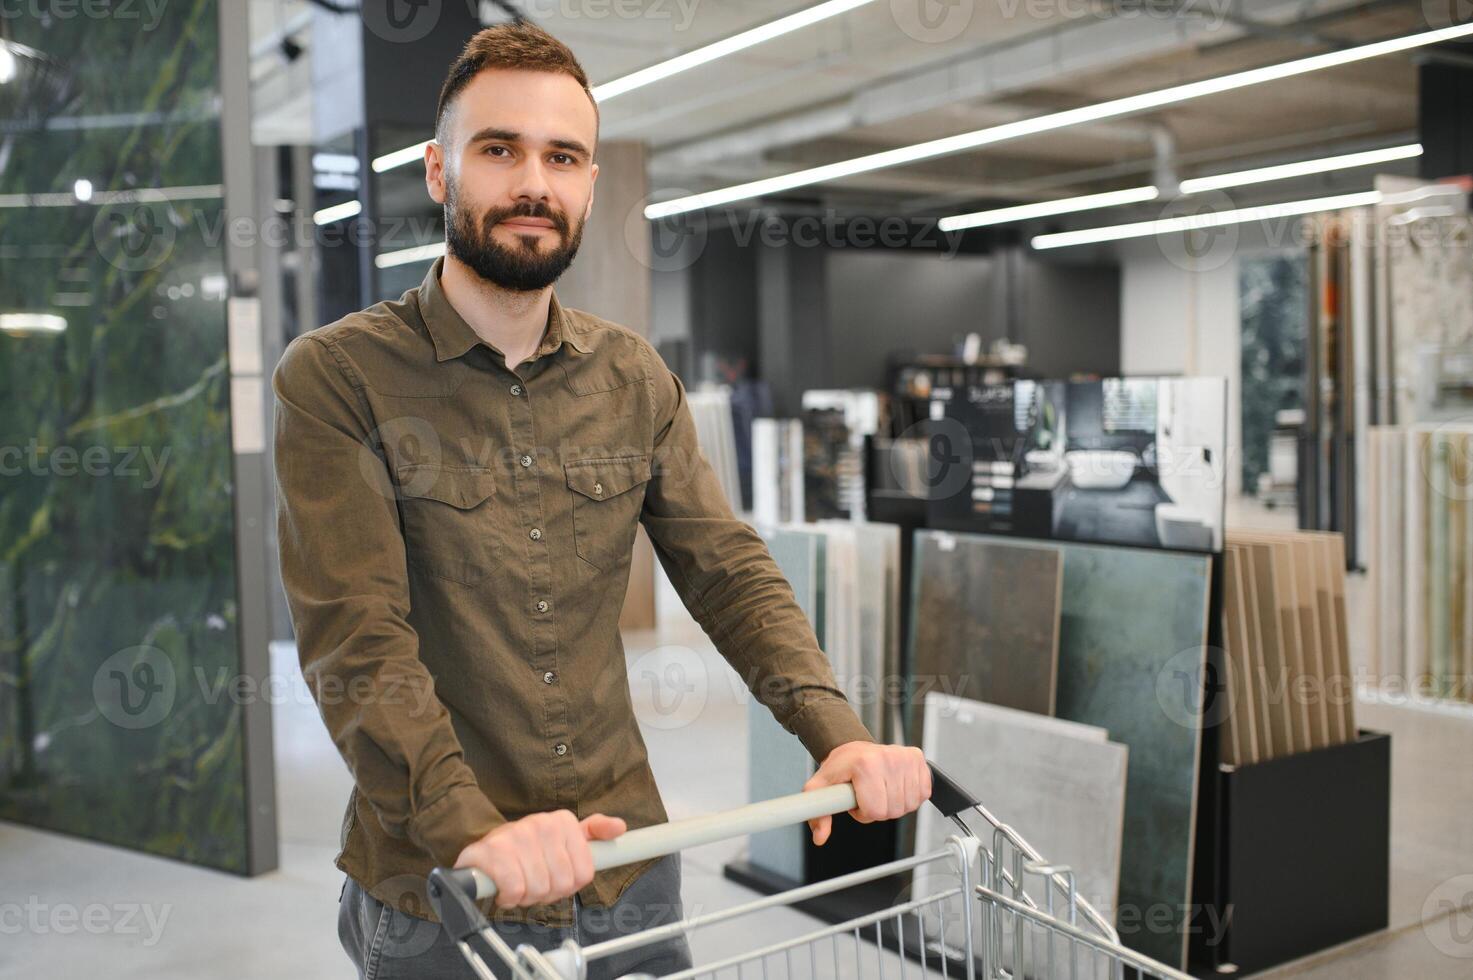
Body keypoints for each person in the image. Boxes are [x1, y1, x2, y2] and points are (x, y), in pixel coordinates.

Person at [272, 21, 931, 979]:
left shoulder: (633, 378)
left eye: (563, 157)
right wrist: (472, 831)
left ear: (588, 184)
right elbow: (354, 636)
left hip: (626, 866)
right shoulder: (338, 378)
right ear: (437, 171)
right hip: (444, 887)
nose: (533, 182)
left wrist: (840, 735)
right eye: (498, 149)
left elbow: (730, 573)